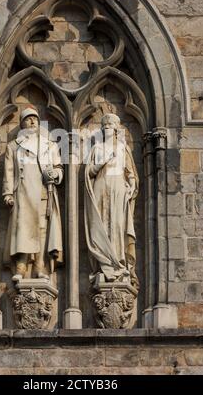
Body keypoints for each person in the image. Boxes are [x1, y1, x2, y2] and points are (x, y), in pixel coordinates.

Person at [2, 105, 63, 280]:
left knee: (42, 229)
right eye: (28, 119)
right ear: (22, 124)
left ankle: (39, 267)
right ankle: (21, 267)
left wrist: (56, 174)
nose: (32, 121)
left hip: (44, 191)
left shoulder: (49, 145)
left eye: (35, 118)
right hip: (22, 192)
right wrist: (7, 193)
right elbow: (9, 171)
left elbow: (58, 167)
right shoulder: (14, 146)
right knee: (22, 228)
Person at [84, 113, 139, 286]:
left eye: (110, 125)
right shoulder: (97, 149)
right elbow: (89, 172)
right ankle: (104, 266)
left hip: (118, 189)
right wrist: (101, 163)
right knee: (100, 225)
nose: (107, 128)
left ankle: (119, 263)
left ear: (116, 129)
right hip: (101, 187)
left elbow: (130, 173)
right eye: (104, 126)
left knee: (116, 225)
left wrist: (131, 186)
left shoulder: (123, 149)